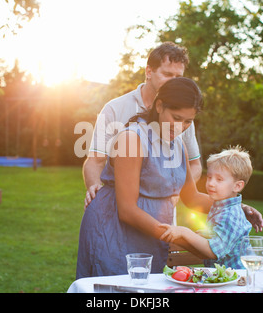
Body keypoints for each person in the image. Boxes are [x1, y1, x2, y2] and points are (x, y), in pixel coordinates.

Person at [83, 41, 263, 232]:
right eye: (168, 74)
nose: (173, 81)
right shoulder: (116, 110)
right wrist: (95, 188)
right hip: (119, 225)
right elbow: (96, 161)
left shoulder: (181, 124)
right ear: (149, 72)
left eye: (178, 76)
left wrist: (234, 208)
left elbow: (191, 172)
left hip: (162, 222)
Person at [77, 77, 213, 278]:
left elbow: (191, 197)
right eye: (176, 118)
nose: (180, 127)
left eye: (188, 121)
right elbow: (127, 211)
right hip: (113, 233)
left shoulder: (179, 146)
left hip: (153, 232)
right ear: (159, 106)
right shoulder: (132, 139)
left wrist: (235, 207)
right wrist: (187, 239)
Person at [159, 146, 253, 269]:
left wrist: (184, 232)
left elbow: (212, 251)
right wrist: (205, 234)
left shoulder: (230, 214)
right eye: (209, 177)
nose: (211, 183)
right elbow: (220, 236)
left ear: (237, 186)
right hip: (224, 276)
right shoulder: (220, 207)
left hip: (235, 280)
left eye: (219, 179)